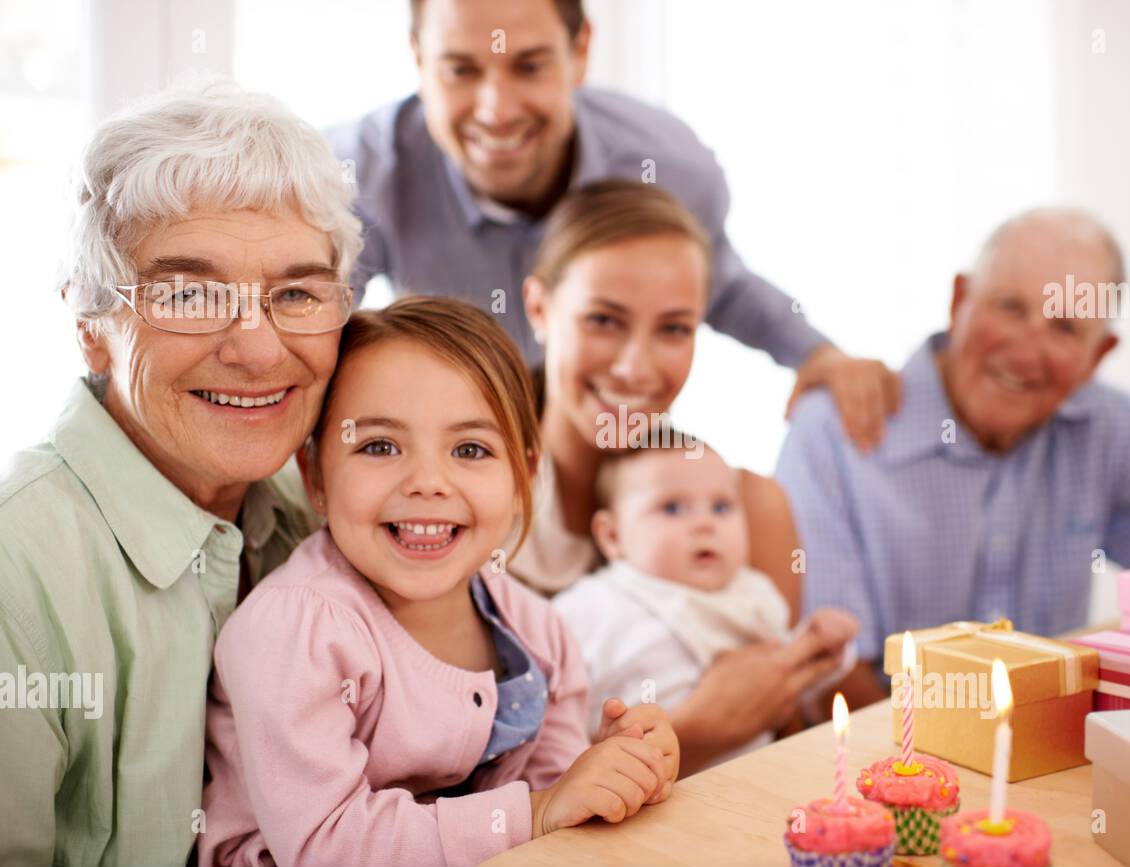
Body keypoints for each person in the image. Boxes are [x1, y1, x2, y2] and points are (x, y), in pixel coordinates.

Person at [0, 82, 360, 866]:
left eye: (296, 292)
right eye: (191, 292)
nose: (259, 350)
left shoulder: (330, 509)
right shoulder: (14, 571)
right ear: (92, 328)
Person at [199, 297, 679, 867]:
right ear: (316, 477)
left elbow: (558, 809)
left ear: (524, 475)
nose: (428, 481)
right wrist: (538, 811)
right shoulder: (296, 631)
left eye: (470, 449)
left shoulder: (539, 633)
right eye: (379, 446)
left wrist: (611, 773)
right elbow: (328, 847)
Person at [330, 0, 899, 451]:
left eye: (529, 65)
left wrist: (818, 354)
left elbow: (720, 286)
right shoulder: (354, 175)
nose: (495, 109)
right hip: (461, 456)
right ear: (417, 57)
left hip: (612, 462)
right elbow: (320, 332)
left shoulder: (668, 167)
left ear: (580, 51)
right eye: (460, 69)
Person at [775, 208, 1130, 663]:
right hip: (891, 762)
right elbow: (828, 674)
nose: (1027, 351)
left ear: (1098, 356)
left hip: (1048, 758)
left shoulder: (1105, 427)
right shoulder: (832, 431)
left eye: (1065, 328)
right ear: (959, 300)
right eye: (1011, 307)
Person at [515, 178, 879, 769]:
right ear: (538, 309)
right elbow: (465, 778)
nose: (635, 367)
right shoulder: (476, 500)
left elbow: (782, 727)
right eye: (604, 320)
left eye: (674, 329)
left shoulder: (748, 508)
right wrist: (689, 732)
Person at [553, 440, 858, 775]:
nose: (704, 524)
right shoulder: (588, 609)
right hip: (627, 802)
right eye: (672, 508)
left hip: (743, 784)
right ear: (612, 536)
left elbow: (788, 678)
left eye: (721, 507)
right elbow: (552, 725)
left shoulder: (751, 593)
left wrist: (824, 643)